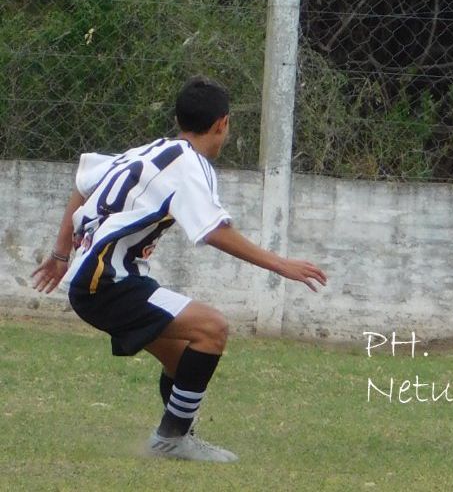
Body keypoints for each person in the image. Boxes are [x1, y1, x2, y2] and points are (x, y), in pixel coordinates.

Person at [31, 76, 327, 463]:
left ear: (178, 118)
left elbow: (83, 180)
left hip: (101, 280)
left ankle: (178, 434)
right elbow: (214, 231)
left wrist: (60, 254)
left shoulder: (152, 150)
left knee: (180, 360)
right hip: (107, 281)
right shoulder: (191, 165)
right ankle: (171, 440)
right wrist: (280, 264)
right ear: (222, 123)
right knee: (213, 328)